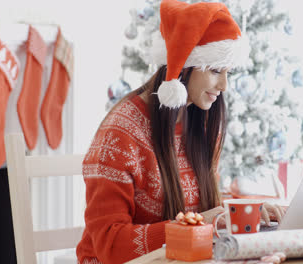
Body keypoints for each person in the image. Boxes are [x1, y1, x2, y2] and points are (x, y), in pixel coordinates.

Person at [76, 0, 284, 263]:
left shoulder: (201, 122)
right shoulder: (121, 134)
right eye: (216, 70)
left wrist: (245, 212)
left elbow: (205, 208)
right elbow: (111, 246)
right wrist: (194, 226)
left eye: (228, 72)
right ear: (183, 64)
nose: (224, 85)